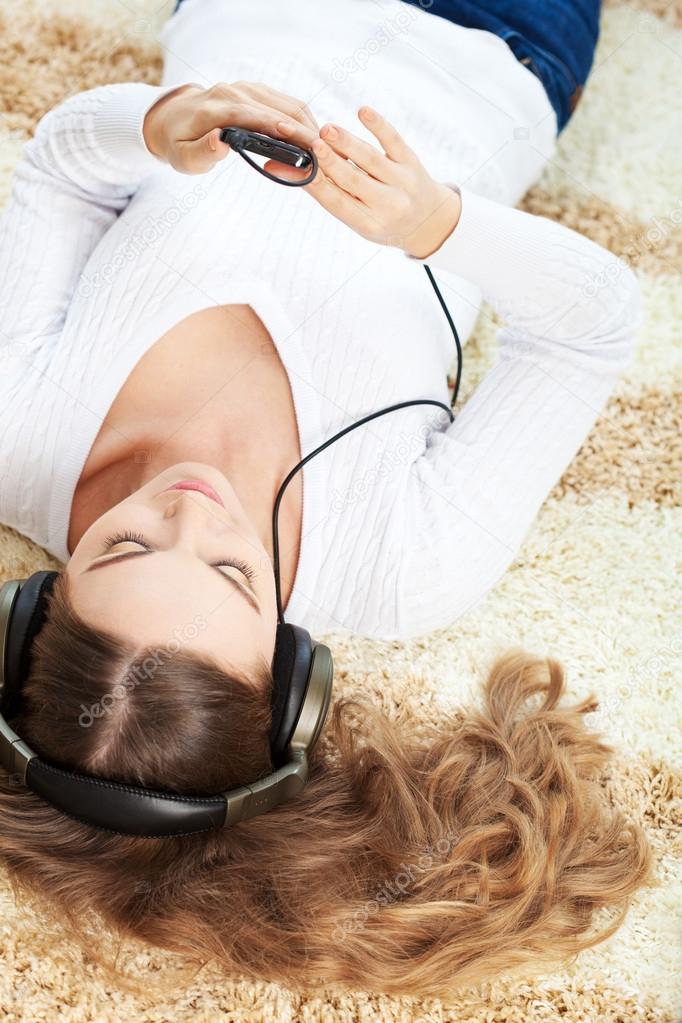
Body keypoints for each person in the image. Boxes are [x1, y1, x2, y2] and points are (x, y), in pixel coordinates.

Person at [0, 0, 649, 997]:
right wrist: (440, 223)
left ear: (40, 602)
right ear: (290, 674)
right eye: (231, 571)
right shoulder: (401, 569)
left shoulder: (15, 436)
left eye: (125, 548)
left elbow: (56, 170)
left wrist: (152, 126)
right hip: (501, 39)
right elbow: (591, 326)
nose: (193, 504)